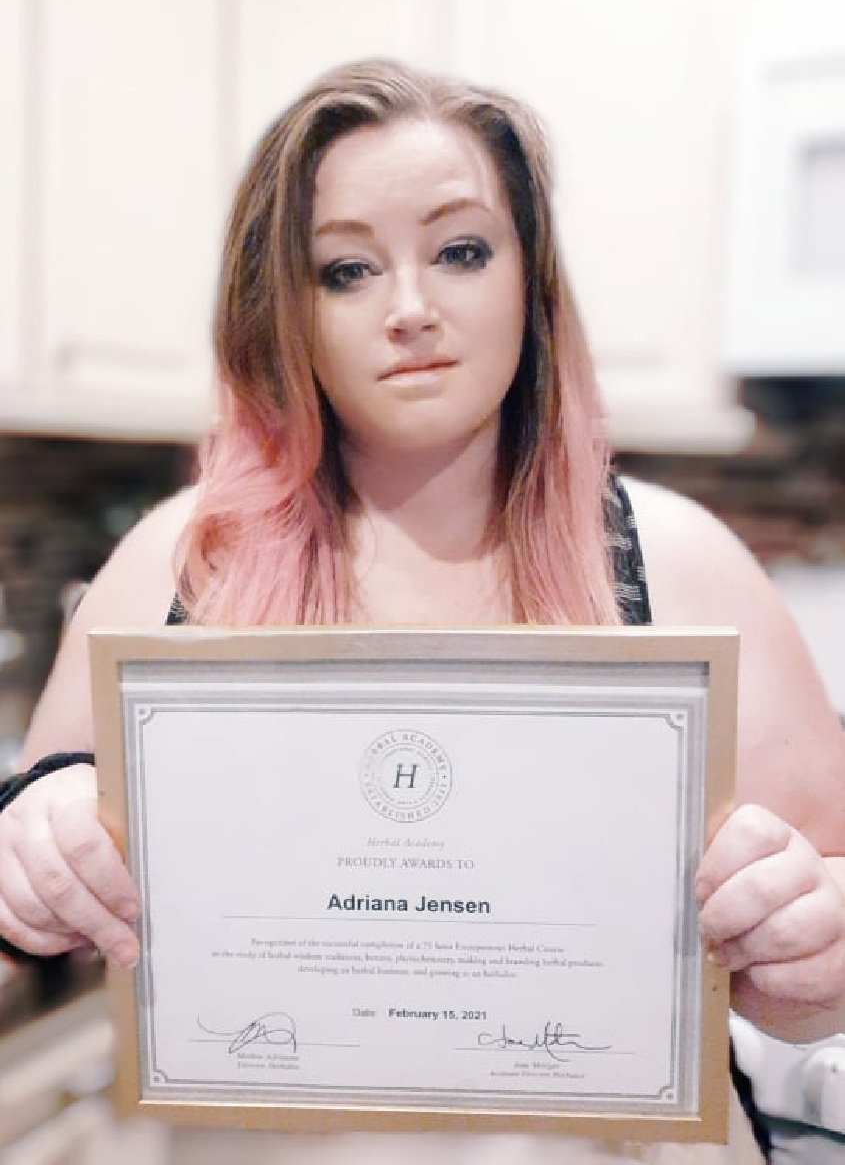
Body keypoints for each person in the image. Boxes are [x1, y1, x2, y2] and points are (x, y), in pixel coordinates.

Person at [1, 58, 843, 1161]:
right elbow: (30, 907)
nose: (408, 310)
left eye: (460, 251)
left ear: (528, 281)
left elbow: (817, 959)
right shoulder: (180, 563)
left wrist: (808, 950)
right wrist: (30, 855)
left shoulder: (676, 564)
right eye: (345, 269)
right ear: (282, 310)